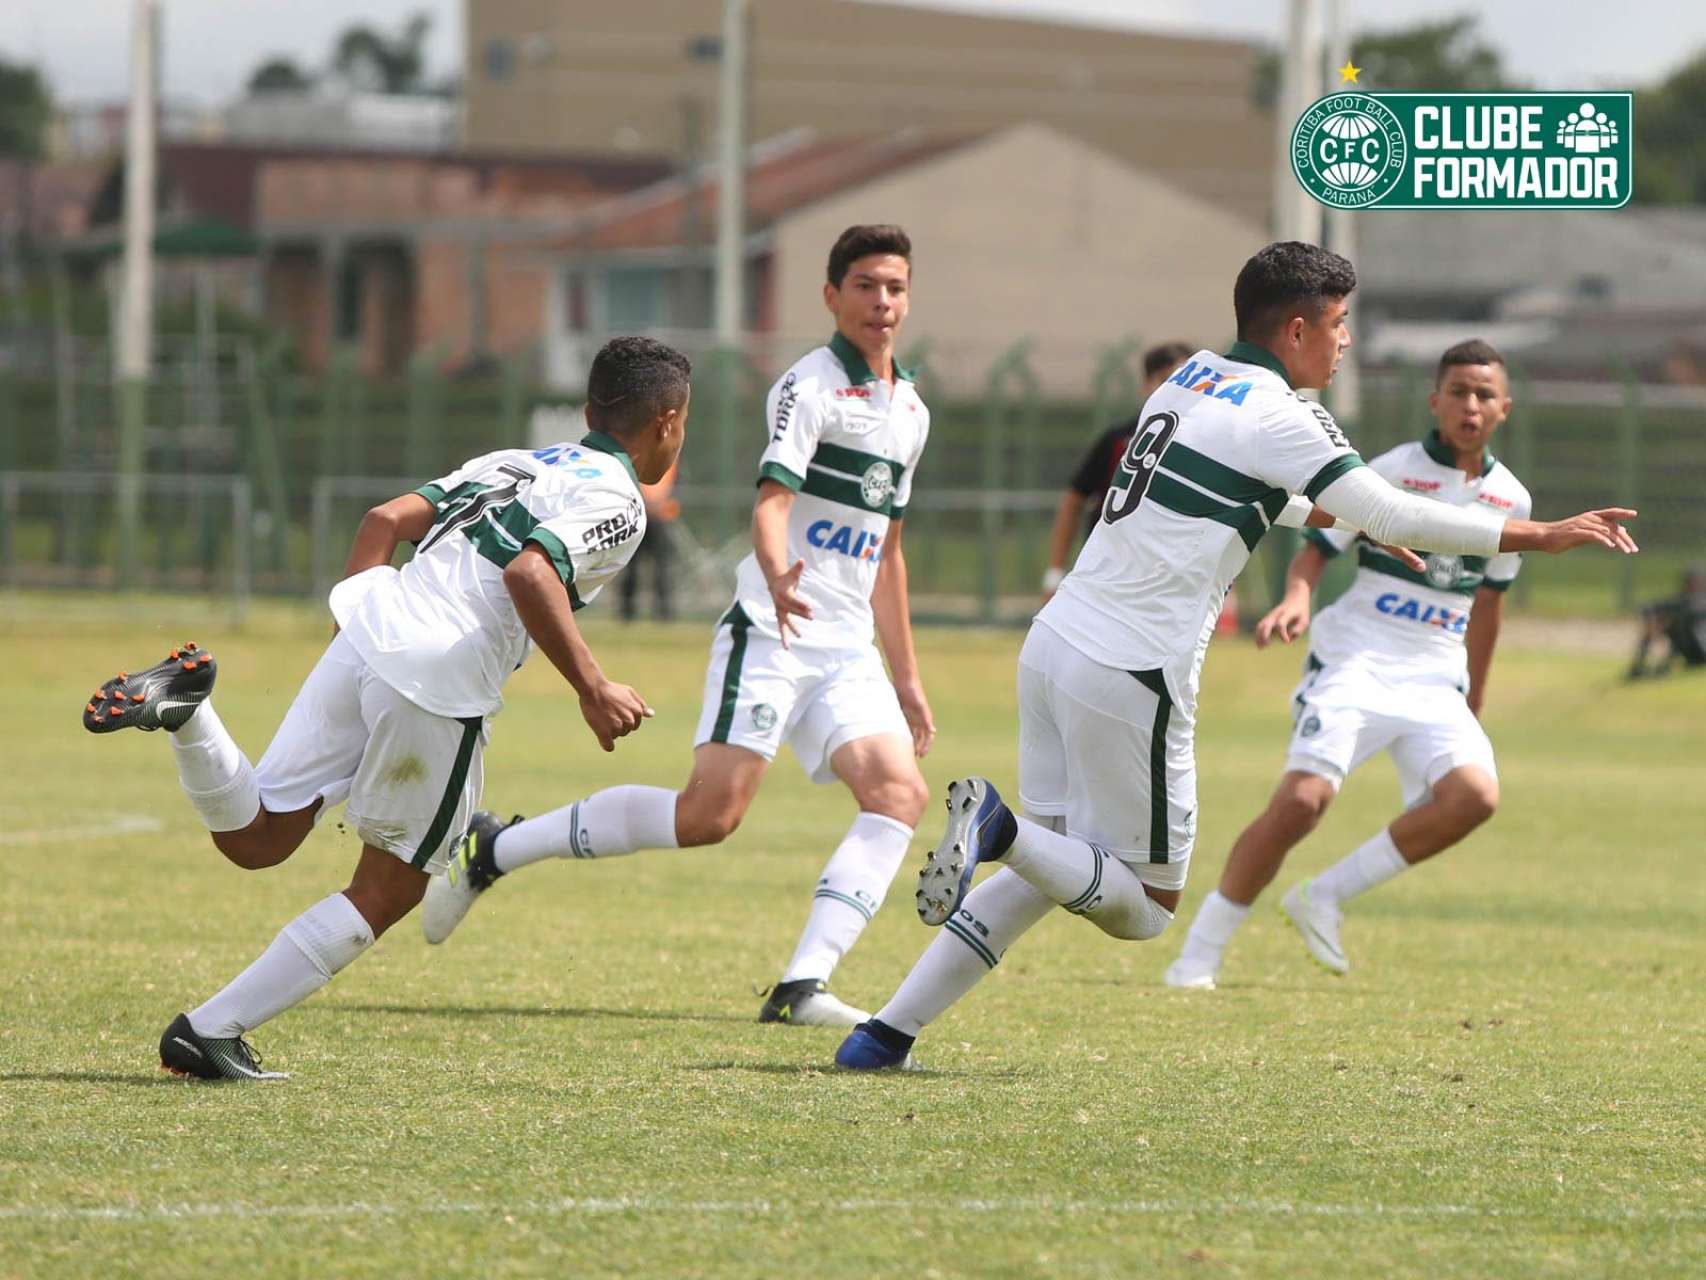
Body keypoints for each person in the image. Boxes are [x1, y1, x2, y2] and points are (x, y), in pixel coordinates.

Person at [831, 241, 1638, 1070]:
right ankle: (995, 827)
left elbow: (1233, 486)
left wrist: (1334, 521)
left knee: (1057, 862)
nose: (1346, 342)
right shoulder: (1282, 413)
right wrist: (1539, 533)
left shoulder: (1193, 377)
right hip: (1132, 669)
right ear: (1296, 330)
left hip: (1056, 641)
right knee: (1145, 904)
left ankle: (883, 1034)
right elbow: (1392, 511)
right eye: (1339, 325)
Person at [83, 336, 691, 1080]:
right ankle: (210, 1031)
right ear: (666, 422)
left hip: (374, 627)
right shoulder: (620, 500)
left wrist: (357, 653)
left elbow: (383, 521)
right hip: (438, 675)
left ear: (592, 407)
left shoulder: (515, 460)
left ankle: (188, 716)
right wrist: (595, 689)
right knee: (391, 888)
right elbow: (534, 574)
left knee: (259, 839)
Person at [422, 224, 936, 1029]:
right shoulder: (806, 388)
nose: (882, 301)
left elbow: (890, 552)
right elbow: (770, 501)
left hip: (848, 648)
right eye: (866, 285)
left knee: (899, 793)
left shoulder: (910, 410)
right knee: (709, 817)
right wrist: (774, 569)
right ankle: (496, 849)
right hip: (775, 632)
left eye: (896, 287)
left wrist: (906, 677)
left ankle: (803, 984)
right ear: (832, 296)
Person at [1165, 339, 1532, 989]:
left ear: (1504, 407)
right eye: (1457, 392)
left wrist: (1470, 702)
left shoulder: (1511, 498)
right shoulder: (1390, 468)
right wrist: (1298, 597)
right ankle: (1198, 954)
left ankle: (1323, 896)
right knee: (1301, 804)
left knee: (1474, 796)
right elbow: (1317, 547)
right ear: (1434, 401)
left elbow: (1488, 610)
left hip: (1434, 678)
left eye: (1483, 394)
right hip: (1357, 660)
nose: (1469, 405)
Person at [1042, 341, 1196, 599]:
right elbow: (1074, 501)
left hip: (1166, 581)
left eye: (1183, 380)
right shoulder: (1118, 440)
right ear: (1146, 387)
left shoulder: (1206, 444)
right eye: (1165, 380)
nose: (1176, 390)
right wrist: (1055, 573)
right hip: (1107, 573)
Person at [620, 457, 680, 622]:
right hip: (638, 517)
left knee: (662, 569)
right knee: (631, 567)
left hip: (661, 518)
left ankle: (664, 614)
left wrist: (661, 504)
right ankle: (627, 613)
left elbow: (677, 486)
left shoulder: (672, 458)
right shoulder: (637, 455)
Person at [1627, 566, 1706, 679]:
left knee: (1677, 623)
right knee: (1661, 622)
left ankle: (1663, 665)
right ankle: (1640, 666)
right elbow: (1649, 607)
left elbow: (1692, 610)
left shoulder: (1701, 601)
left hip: (1701, 652)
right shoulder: (1681, 600)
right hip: (1690, 651)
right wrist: (1654, 621)